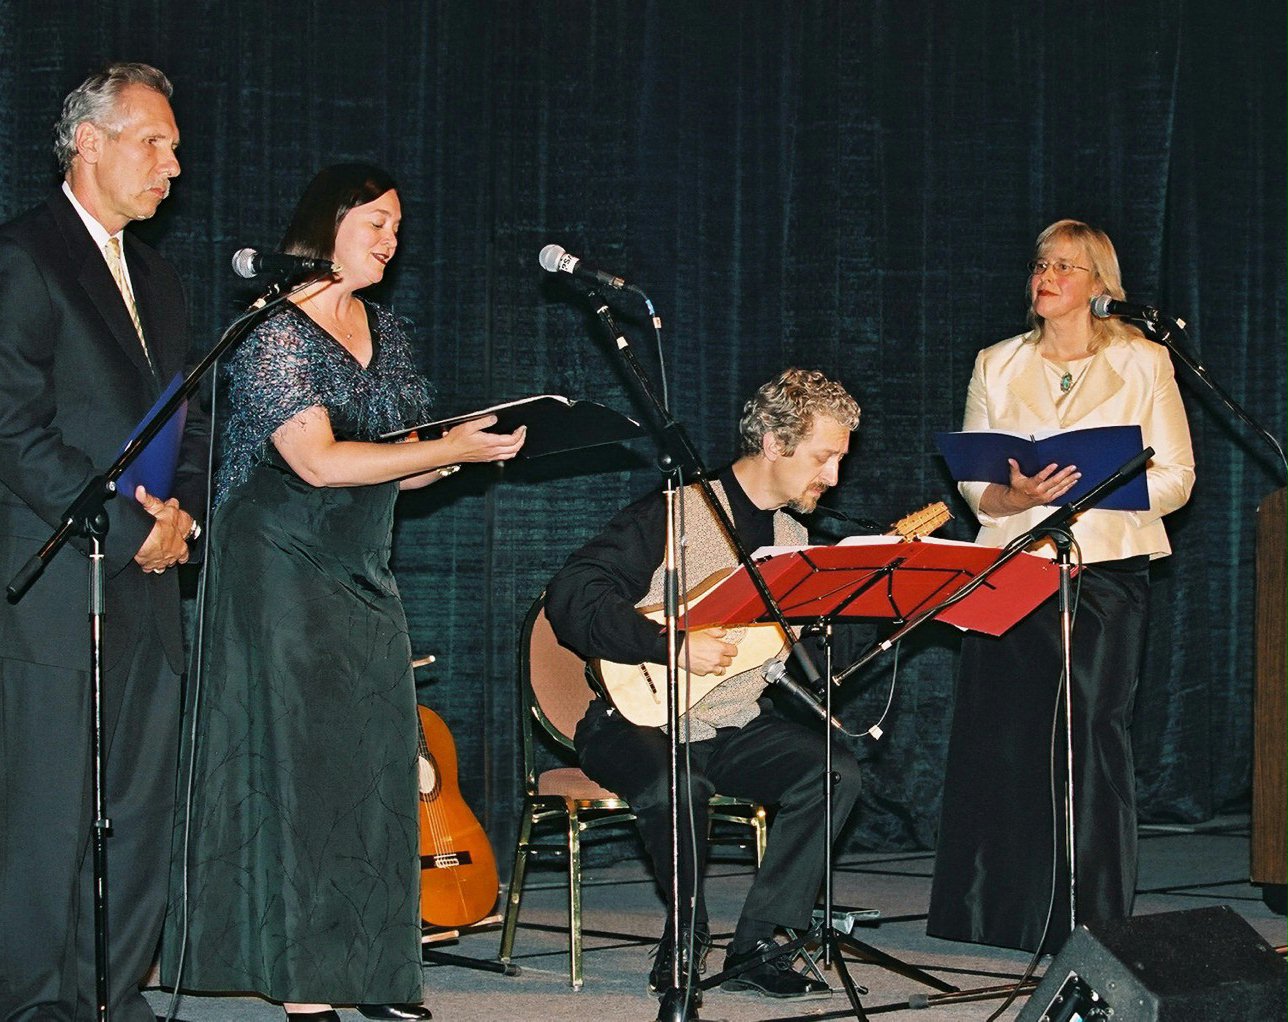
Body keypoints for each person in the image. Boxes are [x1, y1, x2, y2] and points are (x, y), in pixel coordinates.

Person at [161, 164, 525, 1021]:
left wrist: (461, 448)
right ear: (327, 225)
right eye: (376, 223)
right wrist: (443, 451)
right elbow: (318, 462)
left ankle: (374, 973)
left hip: (363, 562)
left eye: (398, 227)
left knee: (378, 768)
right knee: (304, 771)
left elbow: (402, 467)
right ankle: (306, 982)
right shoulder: (273, 331)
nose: (391, 240)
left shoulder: (387, 331)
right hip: (278, 566)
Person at [545, 368, 864, 1003]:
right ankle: (685, 938)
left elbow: (805, 664)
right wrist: (668, 644)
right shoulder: (675, 511)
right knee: (677, 784)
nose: (833, 477)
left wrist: (881, 608)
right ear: (773, 443)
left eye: (839, 460)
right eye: (823, 457)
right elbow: (573, 596)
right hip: (633, 721)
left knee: (834, 771)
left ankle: (758, 944)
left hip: (729, 722)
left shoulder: (793, 539)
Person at [926, 219, 1196, 953]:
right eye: (1041, 264)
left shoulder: (1144, 361)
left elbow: (1177, 478)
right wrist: (1011, 497)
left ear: (1101, 285)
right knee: (1004, 736)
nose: (1046, 276)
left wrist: (1093, 490)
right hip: (1012, 563)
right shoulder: (996, 362)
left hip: (1104, 570)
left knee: (1089, 734)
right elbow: (976, 483)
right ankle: (990, 914)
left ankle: (1088, 914)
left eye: (1066, 266)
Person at [0, 62, 204, 1021]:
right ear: (89, 142)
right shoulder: (23, 257)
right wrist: (128, 529)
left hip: (147, 576)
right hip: (56, 578)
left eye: (174, 147)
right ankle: (35, 1003)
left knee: (136, 804)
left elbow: (188, 415)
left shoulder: (158, 276)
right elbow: (13, 430)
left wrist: (181, 514)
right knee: (47, 811)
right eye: (153, 142)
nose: (173, 164)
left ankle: (108, 998)